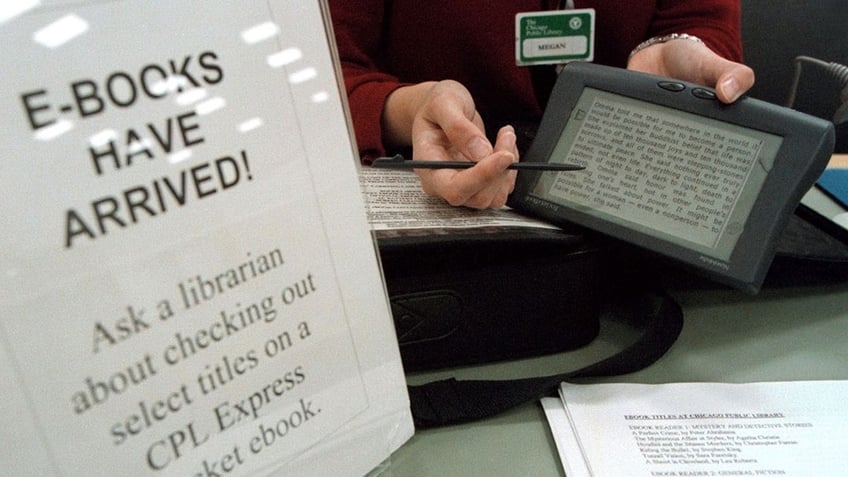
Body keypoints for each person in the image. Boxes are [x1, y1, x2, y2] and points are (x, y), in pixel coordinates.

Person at [329, 1, 755, 209]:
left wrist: (682, 52)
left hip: (634, 206)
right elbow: (322, 74)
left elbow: (701, 22)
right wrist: (417, 109)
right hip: (433, 226)